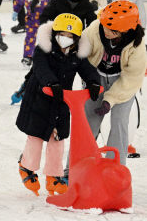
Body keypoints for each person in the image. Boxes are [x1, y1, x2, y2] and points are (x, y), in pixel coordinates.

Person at [15, 13, 100, 196]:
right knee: (36, 138)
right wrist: (51, 83)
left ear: (77, 39)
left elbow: (87, 69)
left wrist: (93, 82)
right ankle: (26, 167)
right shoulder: (43, 49)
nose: (66, 39)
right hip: (39, 97)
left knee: (58, 139)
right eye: (62, 34)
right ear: (54, 34)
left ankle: (54, 176)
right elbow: (40, 68)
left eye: (70, 37)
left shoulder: (77, 54)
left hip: (61, 101)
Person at [83, 0, 146, 166]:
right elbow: (81, 56)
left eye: (112, 30)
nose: (106, 31)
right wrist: (90, 81)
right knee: (88, 124)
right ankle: (76, 168)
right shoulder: (95, 29)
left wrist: (110, 100)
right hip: (96, 79)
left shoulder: (137, 45)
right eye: (105, 26)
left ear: (125, 30)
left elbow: (131, 80)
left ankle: (113, 169)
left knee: (119, 123)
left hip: (122, 83)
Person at [12, 0, 48, 66]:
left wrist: (37, 2)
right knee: (30, 39)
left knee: (45, 39)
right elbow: (17, 2)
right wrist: (15, 12)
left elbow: (46, 4)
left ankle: (47, 56)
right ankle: (27, 57)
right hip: (31, 22)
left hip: (42, 22)